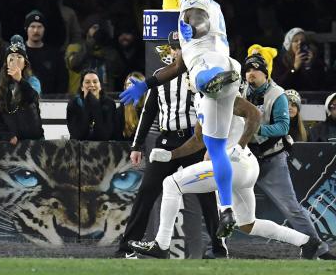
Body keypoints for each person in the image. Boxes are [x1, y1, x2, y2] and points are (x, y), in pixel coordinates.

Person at [128, 96, 324, 260]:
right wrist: (172, 155)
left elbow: (255, 114)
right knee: (248, 224)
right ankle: (307, 242)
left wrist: (239, 145)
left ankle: (161, 244)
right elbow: (198, 139)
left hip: (233, 162)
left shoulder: (222, 93)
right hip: (245, 165)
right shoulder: (200, 98)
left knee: (171, 183)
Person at [121, 0, 239, 237]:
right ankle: (228, 209)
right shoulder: (216, 5)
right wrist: (147, 84)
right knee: (216, 149)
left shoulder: (193, 3)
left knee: (196, 75)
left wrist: (193, 29)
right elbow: (173, 69)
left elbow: (199, 21)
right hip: (227, 74)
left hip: (210, 69)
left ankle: (211, 79)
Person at [115, 33, 222, 259]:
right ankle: (125, 249)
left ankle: (219, 249)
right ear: (170, 51)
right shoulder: (159, 76)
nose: (178, 52)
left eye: (181, 47)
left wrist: (212, 146)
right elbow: (148, 112)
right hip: (167, 140)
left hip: (195, 141)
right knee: (146, 192)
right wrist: (137, 145)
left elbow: (215, 109)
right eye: (174, 48)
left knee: (207, 195)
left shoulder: (201, 73)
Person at [242, 47, 331, 258]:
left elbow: (282, 128)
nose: (250, 74)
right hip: (245, 158)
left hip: (271, 158)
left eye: (255, 69)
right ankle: (215, 249)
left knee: (291, 208)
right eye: (247, 70)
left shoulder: (277, 94)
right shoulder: (240, 91)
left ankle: (317, 247)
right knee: (222, 202)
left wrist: (256, 128)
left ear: (266, 73)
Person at [0, 40, 43, 144]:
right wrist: (7, 135)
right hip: (9, 141)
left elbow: (32, 98)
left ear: (25, 62)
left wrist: (20, 80)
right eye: (11, 57)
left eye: (19, 57)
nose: (15, 60)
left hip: (34, 141)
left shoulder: (33, 81)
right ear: (6, 63)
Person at [66, 69, 118, 141]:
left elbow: (105, 135)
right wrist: (87, 106)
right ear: (81, 87)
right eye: (87, 82)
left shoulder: (109, 104)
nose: (92, 85)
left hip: (103, 149)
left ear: (100, 86)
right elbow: (77, 135)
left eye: (95, 82)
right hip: (79, 149)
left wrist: (96, 106)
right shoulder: (74, 104)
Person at [22, 10, 66, 94]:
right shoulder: (17, 53)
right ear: (26, 28)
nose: (36, 30)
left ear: (44, 29)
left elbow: (62, 81)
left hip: (50, 103)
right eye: (32, 26)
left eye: (39, 27)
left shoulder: (54, 55)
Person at [117, 71, 145, 143]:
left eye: (134, 84)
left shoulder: (150, 107)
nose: (131, 87)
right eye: (128, 84)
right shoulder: (120, 110)